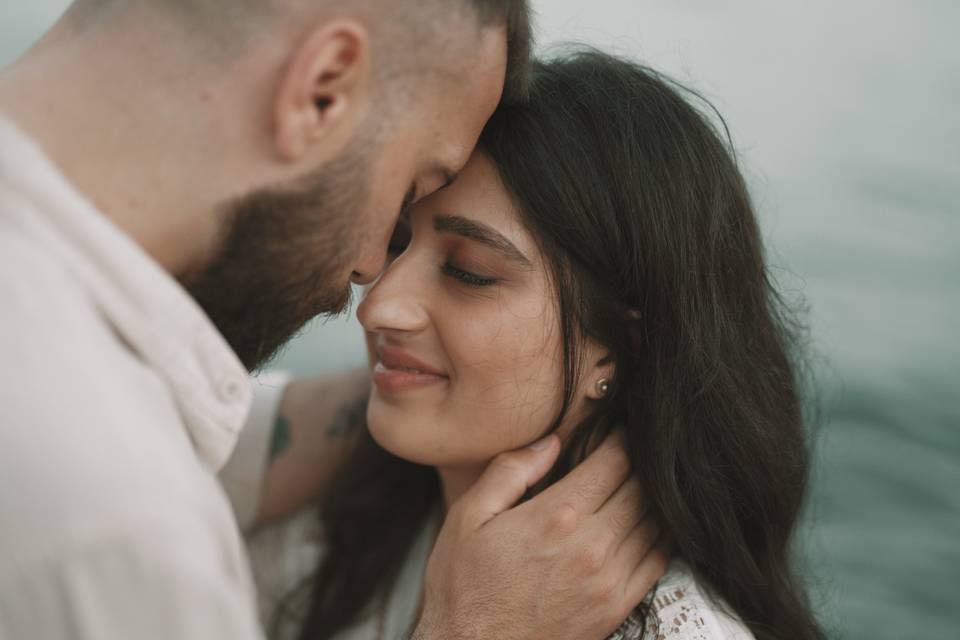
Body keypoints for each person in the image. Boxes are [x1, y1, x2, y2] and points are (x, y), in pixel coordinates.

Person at [0, 2, 667, 639]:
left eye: (464, 270)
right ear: (322, 88)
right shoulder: (119, 531)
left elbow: (237, 439)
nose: (372, 281)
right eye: (405, 203)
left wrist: (442, 376)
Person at [244, 51, 827, 640]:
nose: (376, 306)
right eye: (397, 240)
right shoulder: (347, 511)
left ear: (620, 343)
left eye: (469, 273)